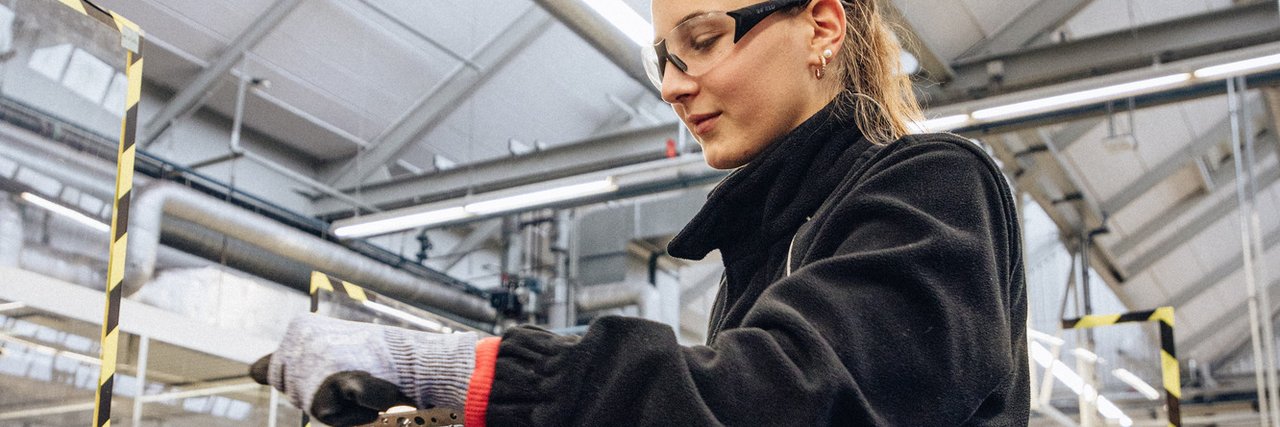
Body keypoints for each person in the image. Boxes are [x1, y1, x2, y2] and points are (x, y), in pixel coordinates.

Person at [250, 0, 1029, 425]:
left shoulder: (934, 187)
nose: (673, 85)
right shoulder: (767, 250)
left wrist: (451, 367)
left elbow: (779, 401)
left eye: (702, 38)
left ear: (821, 26)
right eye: (664, 57)